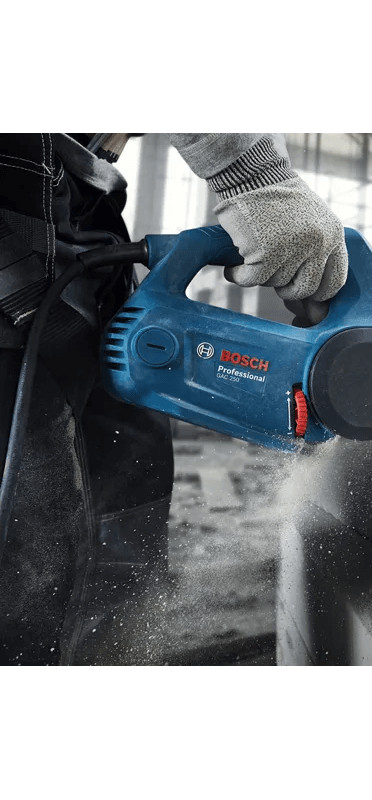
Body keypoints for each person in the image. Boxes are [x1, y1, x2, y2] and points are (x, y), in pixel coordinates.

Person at [0, 133, 348, 665]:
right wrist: (255, 176)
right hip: (16, 222)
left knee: (126, 504)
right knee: (30, 556)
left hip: (79, 206)